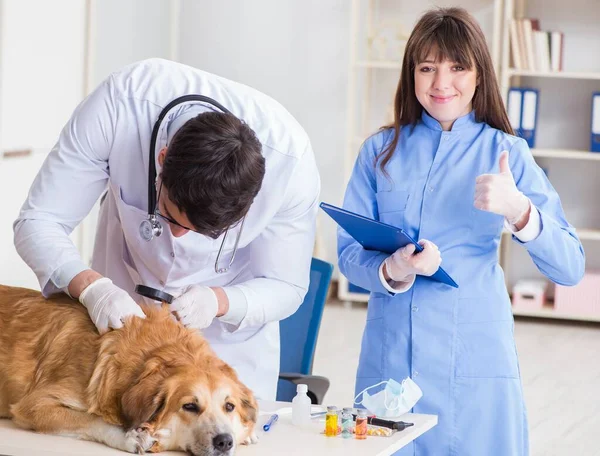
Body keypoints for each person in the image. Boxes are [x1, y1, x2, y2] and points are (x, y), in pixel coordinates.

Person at [338, 8, 584, 456]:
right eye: (427, 68)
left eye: (457, 67)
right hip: (392, 357)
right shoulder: (379, 152)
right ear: (411, 73)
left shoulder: (506, 151)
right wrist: (391, 269)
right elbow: (349, 254)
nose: (440, 83)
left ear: (478, 75)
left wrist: (520, 211)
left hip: (473, 356)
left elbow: (570, 266)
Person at [13, 58, 320, 401]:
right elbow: (38, 221)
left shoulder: (291, 165)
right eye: (171, 217)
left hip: (226, 346)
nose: (178, 237)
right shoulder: (122, 104)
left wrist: (219, 301)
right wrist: (91, 288)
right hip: (123, 324)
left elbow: (287, 286)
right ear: (161, 159)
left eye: (205, 232)